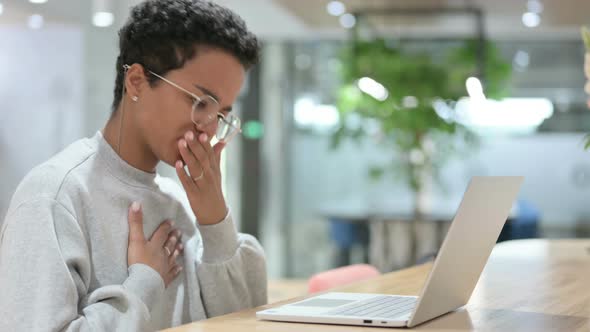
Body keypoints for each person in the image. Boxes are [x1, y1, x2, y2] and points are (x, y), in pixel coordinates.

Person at [0, 0, 267, 330]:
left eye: (222, 114)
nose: (209, 128)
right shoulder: (54, 196)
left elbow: (243, 323)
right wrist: (144, 283)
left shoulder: (181, 204)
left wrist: (215, 221)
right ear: (137, 81)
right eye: (201, 103)